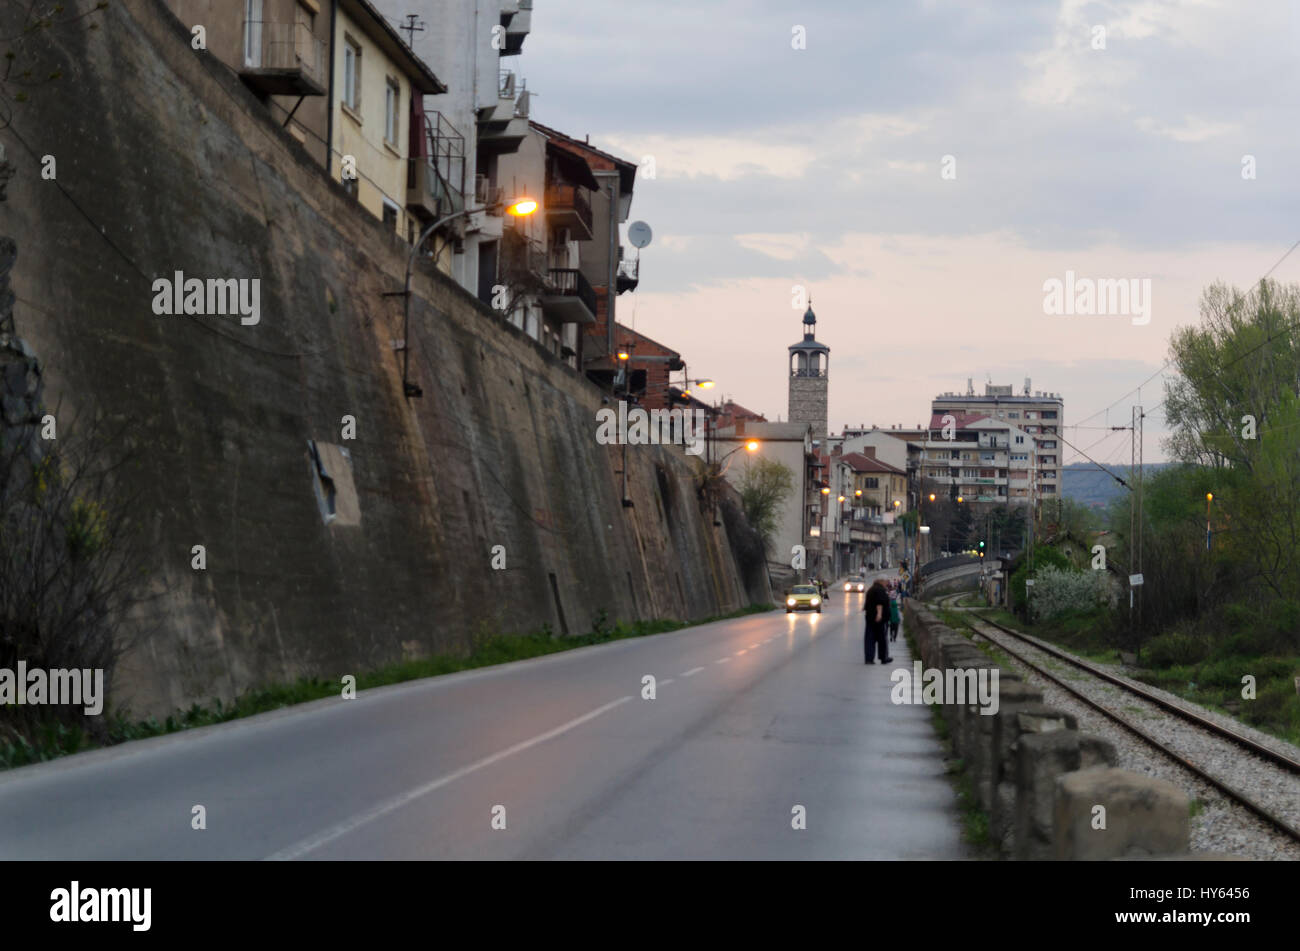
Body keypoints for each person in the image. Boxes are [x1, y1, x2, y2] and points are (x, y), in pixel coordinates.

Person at [863, 579, 892, 665]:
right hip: (879, 619)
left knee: (869, 639)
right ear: (881, 581)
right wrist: (879, 614)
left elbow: (867, 604)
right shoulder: (880, 590)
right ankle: (883, 658)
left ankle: (869, 658)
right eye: (886, 581)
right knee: (882, 639)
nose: (887, 583)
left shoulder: (871, 589)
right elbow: (879, 603)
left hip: (870, 617)